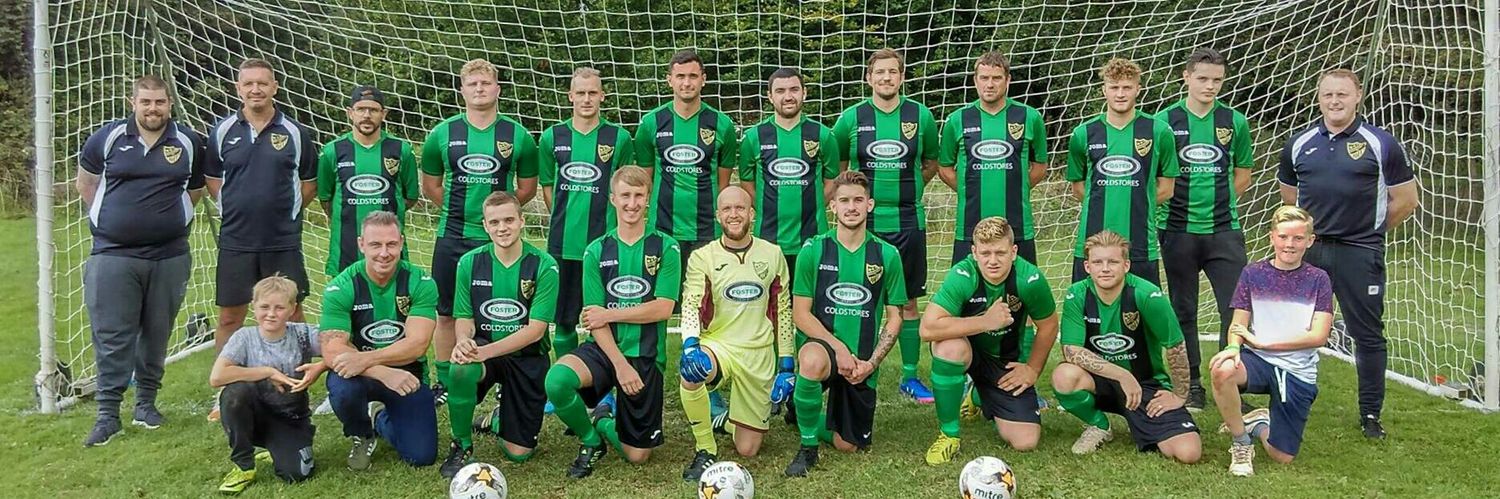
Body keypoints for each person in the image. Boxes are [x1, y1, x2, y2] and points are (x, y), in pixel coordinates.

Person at [1277, 68, 1419, 439]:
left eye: (1342, 94)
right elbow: (1291, 199)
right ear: (1319, 98)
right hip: (1311, 253)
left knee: (1367, 334)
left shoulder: (1381, 143)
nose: (1335, 101)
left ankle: (1370, 414)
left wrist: (1368, 231)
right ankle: (1287, 403)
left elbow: (1406, 200)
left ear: (1358, 96)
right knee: (1291, 328)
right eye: (1328, 95)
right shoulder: (1299, 143)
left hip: (1360, 253)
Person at [76, 75, 206, 445]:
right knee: (112, 333)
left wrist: (162, 222)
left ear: (170, 104)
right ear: (132, 102)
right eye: (146, 102)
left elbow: (194, 191)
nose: (153, 109)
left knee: (157, 331)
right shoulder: (107, 138)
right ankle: (107, 415)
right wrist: (117, 222)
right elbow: (86, 184)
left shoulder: (188, 142)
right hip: (113, 254)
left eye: (160, 102)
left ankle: (146, 405)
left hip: (169, 254)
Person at [545, 166, 682, 479]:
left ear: (648, 199)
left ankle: (603, 420)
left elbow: (662, 308)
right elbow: (595, 319)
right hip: (605, 350)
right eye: (625, 196)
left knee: (638, 457)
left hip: (646, 355)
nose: (631, 203)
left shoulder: (666, 247)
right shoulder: (596, 250)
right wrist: (619, 364)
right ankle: (592, 441)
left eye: (638, 196)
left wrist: (611, 313)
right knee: (557, 381)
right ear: (612, 199)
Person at [422, 59, 539, 407]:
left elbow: (527, 187)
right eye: (472, 84)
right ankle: (446, 380)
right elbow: (431, 185)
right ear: (462, 90)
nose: (479, 89)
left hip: (500, 240)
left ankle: (507, 376)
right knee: (446, 312)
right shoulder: (442, 133)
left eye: (485, 84)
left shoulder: (517, 135)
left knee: (509, 310)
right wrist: (463, 212)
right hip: (453, 235)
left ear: (497, 89)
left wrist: (498, 219)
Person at [206, 58, 317, 419]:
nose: (255, 89)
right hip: (236, 240)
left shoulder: (296, 132)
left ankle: (298, 384)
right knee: (230, 316)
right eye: (248, 84)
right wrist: (238, 209)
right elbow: (213, 180)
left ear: (274, 88)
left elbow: (308, 184)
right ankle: (226, 391)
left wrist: (281, 214)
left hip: (282, 240)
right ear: (238, 89)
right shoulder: (222, 131)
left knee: (294, 313)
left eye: (262, 83)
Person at [832, 47, 941, 404]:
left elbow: (930, 164)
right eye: (879, 72)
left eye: (892, 72)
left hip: (908, 219)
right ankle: (851, 367)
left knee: (907, 301)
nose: (886, 78)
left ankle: (910, 376)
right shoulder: (851, 118)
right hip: (865, 222)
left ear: (902, 76)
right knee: (855, 300)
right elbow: (840, 169)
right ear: (869, 78)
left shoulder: (920, 116)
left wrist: (906, 191)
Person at [782, 171, 906, 477]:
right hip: (824, 348)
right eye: (844, 200)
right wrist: (837, 347)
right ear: (833, 206)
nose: (852, 207)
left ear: (870, 205)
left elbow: (895, 318)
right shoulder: (814, 249)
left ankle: (803, 411)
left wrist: (871, 364)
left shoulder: (887, 255)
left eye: (858, 201)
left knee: (848, 445)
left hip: (861, 360)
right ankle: (808, 447)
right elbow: (800, 314)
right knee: (810, 360)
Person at [1154, 48, 1254, 411]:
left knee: (1236, 308)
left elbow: (1243, 172)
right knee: (1184, 308)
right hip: (1176, 229)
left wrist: (1219, 199)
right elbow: (1158, 174)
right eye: (1203, 79)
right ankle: (1192, 382)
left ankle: (1230, 380)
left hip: (1224, 230)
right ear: (1186, 77)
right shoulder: (1164, 121)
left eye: (1216, 80)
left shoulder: (1234, 121)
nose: (1210, 86)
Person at [676, 185, 794, 481]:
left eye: (740, 208)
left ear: (751, 214)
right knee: (693, 371)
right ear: (717, 215)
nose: (734, 214)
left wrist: (787, 365)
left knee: (748, 449)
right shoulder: (702, 257)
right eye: (727, 209)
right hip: (720, 346)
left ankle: (726, 421)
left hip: (759, 353)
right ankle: (705, 448)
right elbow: (690, 304)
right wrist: (691, 346)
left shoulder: (773, 254)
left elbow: (783, 312)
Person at [1052, 230, 1200, 464]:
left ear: (1126, 265)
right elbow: (1071, 350)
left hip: (1145, 385)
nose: (1105, 268)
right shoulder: (1077, 294)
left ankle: (1143, 420)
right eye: (1098, 262)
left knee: (1188, 453)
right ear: (1088, 266)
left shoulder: (1147, 295)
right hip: (1101, 380)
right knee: (1064, 375)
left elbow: (1176, 346)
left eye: (1113, 261)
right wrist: (1122, 374)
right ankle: (1099, 425)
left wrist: (1180, 395)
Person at [920, 216, 1059, 465]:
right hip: (967, 350)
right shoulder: (963, 275)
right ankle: (949, 435)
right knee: (950, 348)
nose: (992, 260)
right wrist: (985, 322)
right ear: (974, 252)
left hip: (1003, 361)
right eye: (985, 253)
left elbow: (1048, 325)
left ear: (1013, 252)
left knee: (1026, 441)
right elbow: (928, 328)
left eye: (1000, 252)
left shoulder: (1029, 280)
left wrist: (1032, 369)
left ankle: (978, 396)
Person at [440, 192, 560, 477]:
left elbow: (535, 331)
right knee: (460, 368)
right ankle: (461, 444)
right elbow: (465, 317)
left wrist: (483, 352)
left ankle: (497, 420)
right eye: (494, 222)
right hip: (486, 349)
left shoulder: (544, 265)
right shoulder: (469, 263)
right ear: (485, 225)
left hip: (528, 358)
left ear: (522, 221)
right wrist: (464, 341)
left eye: (509, 220)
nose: (502, 228)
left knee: (518, 454)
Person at [1209, 205, 1333, 476]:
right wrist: (1232, 348)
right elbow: (1238, 324)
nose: (1290, 244)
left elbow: (1319, 336)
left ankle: (1258, 423)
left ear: (1310, 241)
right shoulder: (1253, 274)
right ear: (1272, 237)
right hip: (1259, 362)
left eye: (1298, 238)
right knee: (1223, 369)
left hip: (1297, 370)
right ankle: (1241, 443)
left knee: (1282, 456)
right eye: (1284, 237)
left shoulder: (1319, 279)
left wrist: (1266, 344)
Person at [319, 211, 440, 469]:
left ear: (402, 242)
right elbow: (332, 350)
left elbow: (417, 344)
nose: (384, 253)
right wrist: (382, 371)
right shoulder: (341, 287)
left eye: (391, 244)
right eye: (375, 245)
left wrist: (365, 358)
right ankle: (361, 434)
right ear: (362, 244)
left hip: (408, 373)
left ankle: (380, 419)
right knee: (342, 387)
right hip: (360, 375)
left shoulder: (421, 283)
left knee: (421, 457)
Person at [539, 67, 635, 359]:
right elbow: (547, 189)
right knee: (564, 319)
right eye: (580, 93)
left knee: (605, 316)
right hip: (563, 244)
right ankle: (566, 373)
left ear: (602, 96)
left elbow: (624, 188)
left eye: (593, 92)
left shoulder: (618, 138)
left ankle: (603, 388)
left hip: (605, 244)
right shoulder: (551, 137)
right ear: (570, 96)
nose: (586, 99)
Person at [1065, 57, 1180, 285]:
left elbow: (1166, 189)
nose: (1120, 94)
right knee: (1089, 313)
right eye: (1114, 87)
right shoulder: (1083, 133)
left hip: (1139, 244)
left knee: (1142, 314)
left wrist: (1134, 201)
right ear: (1103, 90)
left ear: (1138, 89)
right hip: (1092, 242)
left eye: (1127, 87)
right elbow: (1079, 189)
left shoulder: (1159, 131)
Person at [209, 275, 323, 494]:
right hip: (254, 416)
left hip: (291, 418)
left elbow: (342, 351)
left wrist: (322, 365)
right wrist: (267, 372)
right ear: (254, 306)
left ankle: (278, 448)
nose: (271, 314)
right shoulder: (245, 337)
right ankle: (243, 465)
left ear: (292, 308)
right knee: (235, 393)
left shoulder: (303, 334)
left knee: (297, 474)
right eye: (264, 307)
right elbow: (216, 377)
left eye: (279, 307)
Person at [937, 51, 1048, 264]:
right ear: (975, 81)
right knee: (968, 293)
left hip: (1017, 225)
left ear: (1007, 80)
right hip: (970, 224)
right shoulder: (957, 119)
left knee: (1020, 293)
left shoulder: (1030, 117)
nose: (990, 84)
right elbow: (945, 169)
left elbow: (1039, 167)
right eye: (984, 78)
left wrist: (1016, 187)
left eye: (996, 78)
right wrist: (967, 189)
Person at [634, 49, 738, 274]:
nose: (686, 83)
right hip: (662, 229)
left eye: (693, 76)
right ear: (669, 80)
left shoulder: (722, 125)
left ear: (704, 79)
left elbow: (723, 185)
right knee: (664, 303)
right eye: (680, 76)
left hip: (707, 230)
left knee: (706, 304)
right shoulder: (651, 123)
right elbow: (645, 181)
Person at [316, 85, 419, 277]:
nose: (366, 115)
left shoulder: (401, 150)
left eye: (373, 110)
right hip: (345, 254)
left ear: (384, 114)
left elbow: (410, 196)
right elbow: (326, 199)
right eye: (361, 109)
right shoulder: (332, 151)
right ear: (350, 113)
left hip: (389, 254)